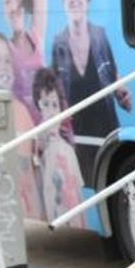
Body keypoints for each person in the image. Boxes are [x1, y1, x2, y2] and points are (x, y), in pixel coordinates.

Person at [51, 0, 131, 172]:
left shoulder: (100, 37)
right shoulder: (58, 44)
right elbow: (54, 92)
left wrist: (123, 93)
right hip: (76, 142)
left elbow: (114, 75)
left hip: (106, 140)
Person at [0, 33, 44, 220]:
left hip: (29, 203)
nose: (4, 66)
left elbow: (34, 165)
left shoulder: (23, 111)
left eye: (7, 60)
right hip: (8, 204)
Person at [32, 69, 86, 227]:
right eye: (45, 104)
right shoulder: (39, 143)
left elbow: (78, 192)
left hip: (72, 214)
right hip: (54, 214)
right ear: (38, 106)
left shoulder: (68, 150)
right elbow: (41, 182)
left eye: (55, 105)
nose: (51, 112)